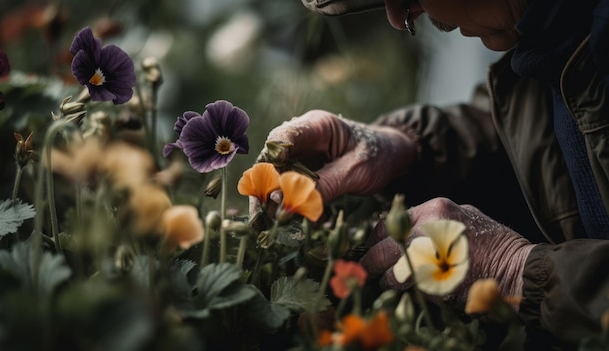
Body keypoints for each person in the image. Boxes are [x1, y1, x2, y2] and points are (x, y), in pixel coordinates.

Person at [252, 0, 609, 349]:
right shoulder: (558, 29)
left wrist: (517, 270)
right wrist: (407, 149)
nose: (397, 17)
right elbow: (547, 138)